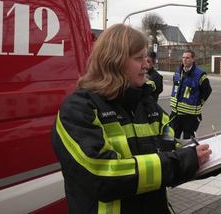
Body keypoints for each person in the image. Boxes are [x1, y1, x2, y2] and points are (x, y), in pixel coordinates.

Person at [51, 24, 212, 214]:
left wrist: (210, 155)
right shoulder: (78, 109)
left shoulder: (146, 104)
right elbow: (102, 175)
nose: (147, 64)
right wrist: (184, 160)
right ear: (114, 62)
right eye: (138, 58)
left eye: (146, 57)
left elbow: (172, 148)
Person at [170, 49, 212, 139]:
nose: (185, 60)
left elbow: (207, 90)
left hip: (190, 117)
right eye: (183, 58)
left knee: (188, 142)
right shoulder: (177, 71)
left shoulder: (200, 75)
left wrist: (199, 102)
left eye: (187, 58)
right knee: (171, 139)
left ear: (193, 59)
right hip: (175, 114)